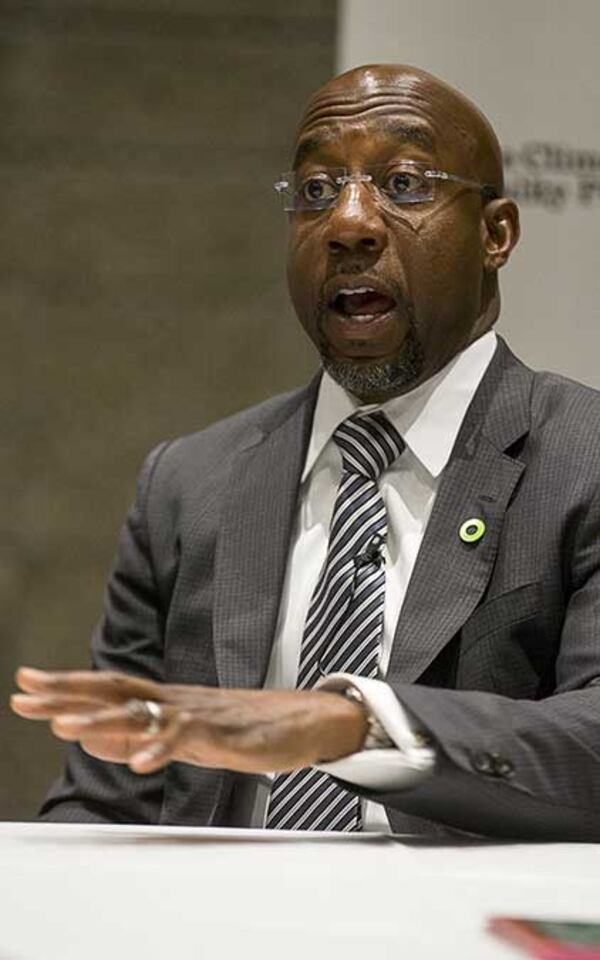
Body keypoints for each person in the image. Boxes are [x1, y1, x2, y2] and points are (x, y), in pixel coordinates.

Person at [11, 64, 600, 840]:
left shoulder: (581, 456)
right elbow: (110, 799)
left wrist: (353, 726)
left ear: (496, 234)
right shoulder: (189, 482)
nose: (348, 222)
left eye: (406, 182)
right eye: (317, 190)